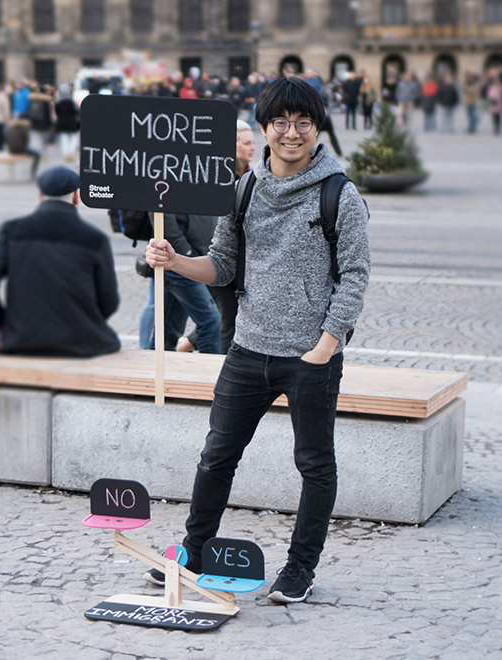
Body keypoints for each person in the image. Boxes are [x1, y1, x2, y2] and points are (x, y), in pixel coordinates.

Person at [143, 76, 370, 603]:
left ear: (316, 127)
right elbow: (222, 265)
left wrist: (323, 347)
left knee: (314, 464)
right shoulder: (243, 189)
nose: (292, 133)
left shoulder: (341, 194)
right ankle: (194, 550)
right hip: (247, 349)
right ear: (262, 128)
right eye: (280, 123)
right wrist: (176, 261)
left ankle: (299, 569)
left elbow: (355, 276)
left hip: (309, 356)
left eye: (303, 122)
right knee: (216, 455)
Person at [0, 166, 120, 357]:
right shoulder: (95, 239)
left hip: (21, 341)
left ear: (40, 195)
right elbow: (109, 300)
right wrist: (86, 321)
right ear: (76, 197)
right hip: (83, 343)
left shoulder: (12, 231)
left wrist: (0, 321)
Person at [177, 119, 255, 354]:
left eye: (253, 143)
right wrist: (188, 251)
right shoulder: (218, 173)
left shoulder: (250, 174)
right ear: (232, 145)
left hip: (242, 258)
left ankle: (186, 345)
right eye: (246, 143)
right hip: (218, 254)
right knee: (225, 318)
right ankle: (221, 367)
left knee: (222, 314)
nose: (252, 148)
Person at [138, 211, 221, 354]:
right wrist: (185, 252)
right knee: (210, 321)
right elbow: (159, 207)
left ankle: (154, 368)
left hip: (195, 253)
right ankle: (209, 373)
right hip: (177, 255)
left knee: (168, 327)